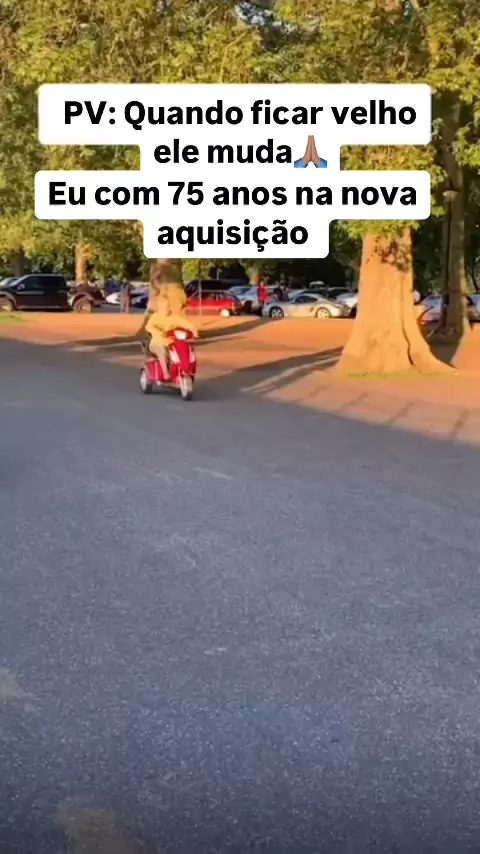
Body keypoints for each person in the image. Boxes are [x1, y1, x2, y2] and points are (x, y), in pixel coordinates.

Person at [144, 295, 198, 382]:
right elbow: (148, 327)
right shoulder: (155, 317)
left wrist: (194, 330)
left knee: (184, 349)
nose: (167, 308)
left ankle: (184, 370)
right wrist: (158, 332)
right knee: (162, 350)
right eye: (164, 306)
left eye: (168, 306)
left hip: (171, 343)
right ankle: (165, 372)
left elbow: (187, 324)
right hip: (156, 343)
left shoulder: (174, 317)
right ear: (159, 307)